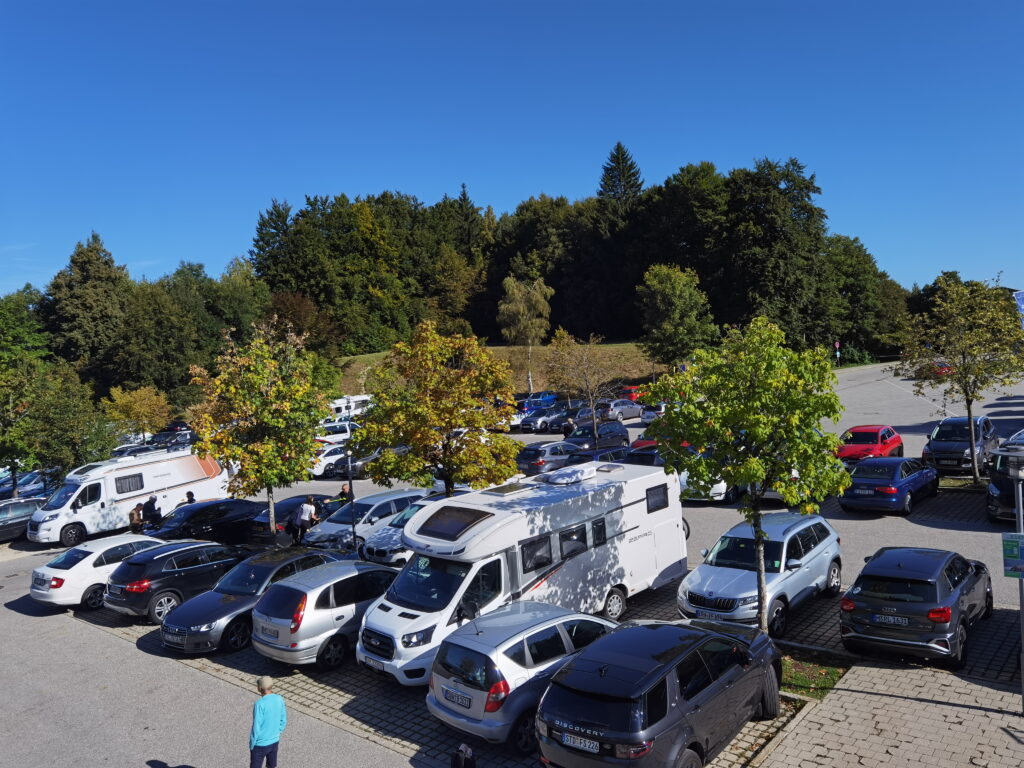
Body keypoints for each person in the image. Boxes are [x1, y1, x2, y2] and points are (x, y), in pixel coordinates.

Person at [249, 675, 286, 768]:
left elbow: (256, 726)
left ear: (260, 688)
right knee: (271, 766)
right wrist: (277, 732)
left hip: (260, 744)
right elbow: (283, 720)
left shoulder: (260, 704)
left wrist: (252, 743)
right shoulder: (279, 699)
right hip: (274, 742)